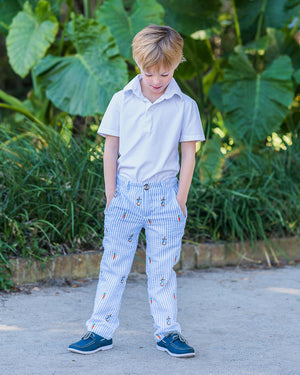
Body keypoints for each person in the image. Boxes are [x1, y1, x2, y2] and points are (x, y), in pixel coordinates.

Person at [68, 24, 205, 358]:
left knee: (162, 270)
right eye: (148, 72)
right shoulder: (121, 100)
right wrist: (110, 195)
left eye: (165, 73)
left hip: (165, 199)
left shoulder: (185, 106)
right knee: (113, 266)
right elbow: (110, 149)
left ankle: (168, 332)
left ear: (177, 64)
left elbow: (189, 154)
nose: (157, 80)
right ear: (137, 63)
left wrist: (180, 200)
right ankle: (100, 330)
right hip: (125, 197)